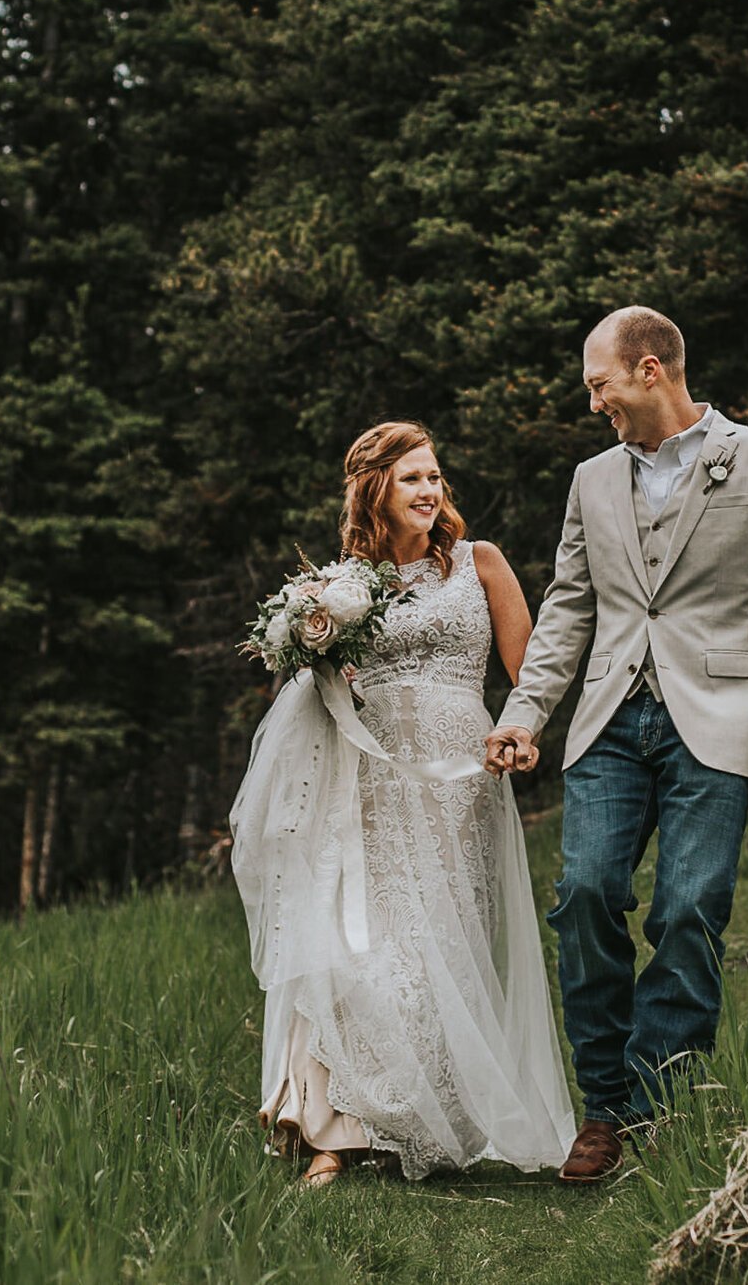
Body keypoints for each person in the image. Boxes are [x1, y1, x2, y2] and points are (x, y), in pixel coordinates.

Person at [485, 307, 748, 1185]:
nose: (593, 402)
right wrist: (526, 713)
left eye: (599, 383)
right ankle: (604, 1105)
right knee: (586, 892)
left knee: (689, 908)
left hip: (718, 715)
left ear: (651, 369)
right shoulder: (591, 478)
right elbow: (569, 605)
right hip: (610, 717)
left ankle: (655, 1106)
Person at [229, 422, 575, 1185]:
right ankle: (332, 1125)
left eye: (434, 476)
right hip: (373, 778)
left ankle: (409, 1121)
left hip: (460, 781)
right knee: (359, 943)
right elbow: (320, 693)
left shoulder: (481, 563)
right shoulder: (344, 588)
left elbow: (530, 670)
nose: (429, 489)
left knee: (440, 946)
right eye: (412, 477)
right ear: (375, 490)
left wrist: (523, 734)